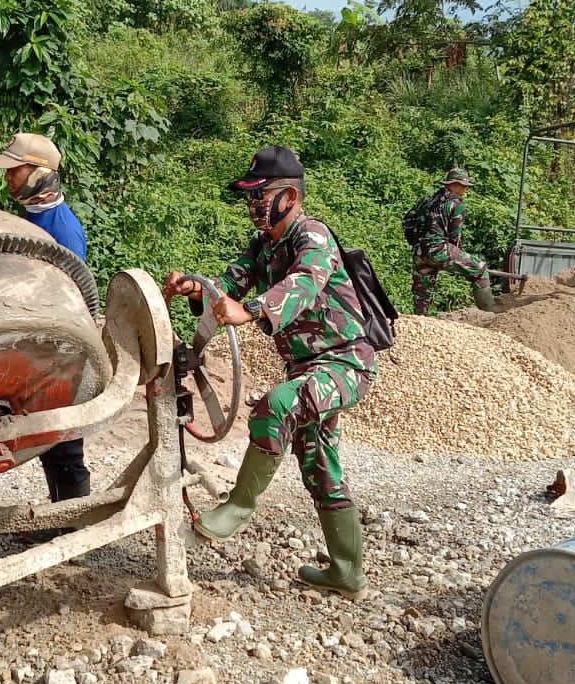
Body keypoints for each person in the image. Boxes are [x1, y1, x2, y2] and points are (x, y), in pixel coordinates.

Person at [164, 145, 378, 599]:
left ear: (290, 196)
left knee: (276, 405)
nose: (253, 203)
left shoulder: (313, 236)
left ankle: (238, 507)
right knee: (320, 468)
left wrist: (252, 309)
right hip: (306, 366)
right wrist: (196, 289)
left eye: (260, 194)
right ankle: (347, 573)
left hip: (346, 362)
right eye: (251, 196)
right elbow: (229, 284)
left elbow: (304, 283)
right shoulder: (263, 245)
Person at [0, 133, 91, 523]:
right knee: (47, 439)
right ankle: (61, 519)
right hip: (33, 342)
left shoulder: (62, 230)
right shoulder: (30, 217)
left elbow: (68, 297)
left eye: (15, 170)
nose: (8, 177)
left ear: (40, 173)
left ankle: (73, 522)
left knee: (64, 443)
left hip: (58, 349)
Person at [407, 168, 496, 314]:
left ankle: (419, 319)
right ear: (454, 184)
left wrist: (416, 242)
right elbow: (455, 236)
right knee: (479, 269)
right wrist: (454, 258)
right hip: (440, 250)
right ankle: (491, 314)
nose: (465, 189)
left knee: (422, 292)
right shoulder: (456, 205)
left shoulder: (426, 201)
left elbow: (408, 221)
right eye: (464, 186)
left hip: (419, 252)